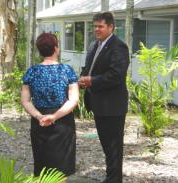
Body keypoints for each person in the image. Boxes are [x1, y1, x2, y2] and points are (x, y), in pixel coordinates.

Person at [79, 12, 129, 183]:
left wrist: (92, 80)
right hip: (98, 104)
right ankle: (111, 177)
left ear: (111, 27)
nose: (96, 30)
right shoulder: (94, 45)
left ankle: (114, 180)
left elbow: (116, 75)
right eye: (95, 26)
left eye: (100, 26)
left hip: (112, 106)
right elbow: (89, 68)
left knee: (114, 147)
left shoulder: (119, 47)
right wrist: (81, 79)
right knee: (107, 146)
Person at [21, 33, 79, 177]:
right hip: (63, 122)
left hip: (39, 122)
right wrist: (54, 116)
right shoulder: (67, 71)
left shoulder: (31, 72)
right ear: (56, 48)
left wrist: (40, 116)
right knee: (61, 169)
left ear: (39, 51)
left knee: (42, 166)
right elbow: (73, 100)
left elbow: (26, 101)